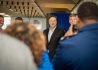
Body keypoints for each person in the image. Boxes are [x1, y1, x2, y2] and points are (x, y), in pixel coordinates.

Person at [53, 2, 98, 70]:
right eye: (70, 19)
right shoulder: (67, 29)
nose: (72, 21)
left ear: (77, 19)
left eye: (74, 19)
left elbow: (56, 66)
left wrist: (65, 40)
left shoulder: (68, 44)